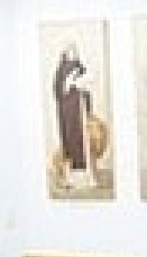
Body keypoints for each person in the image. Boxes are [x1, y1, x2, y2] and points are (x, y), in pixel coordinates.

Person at [52, 42, 96, 190]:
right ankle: (71, 178)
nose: (72, 53)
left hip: (79, 109)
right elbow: (58, 90)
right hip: (67, 110)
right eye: (69, 51)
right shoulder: (60, 70)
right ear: (65, 53)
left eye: (74, 51)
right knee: (70, 141)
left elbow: (87, 88)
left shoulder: (81, 68)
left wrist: (82, 87)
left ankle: (85, 178)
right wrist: (67, 85)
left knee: (82, 141)